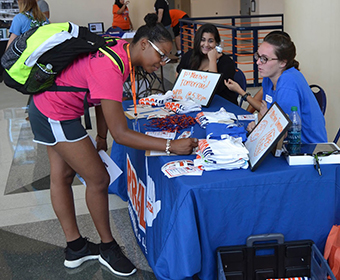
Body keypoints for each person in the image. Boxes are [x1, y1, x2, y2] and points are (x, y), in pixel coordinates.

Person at [28, 13, 197, 277]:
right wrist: (170, 146)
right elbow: (122, 133)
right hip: (55, 112)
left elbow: (99, 98)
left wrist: (100, 137)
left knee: (62, 176)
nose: (162, 63)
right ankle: (108, 247)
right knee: (98, 179)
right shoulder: (111, 66)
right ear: (143, 44)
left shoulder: (119, 49)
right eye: (160, 55)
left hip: (52, 106)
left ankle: (75, 248)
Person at [225, 31, 327, 143]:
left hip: (304, 149)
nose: (258, 62)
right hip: (284, 144)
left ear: (283, 63)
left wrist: (259, 127)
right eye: (258, 56)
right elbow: (263, 112)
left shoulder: (287, 83)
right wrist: (259, 126)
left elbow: (281, 134)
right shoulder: (268, 77)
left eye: (264, 58)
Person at [176, 23, 237, 105]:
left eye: (211, 41)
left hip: (221, 105)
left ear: (217, 43)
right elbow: (178, 74)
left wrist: (212, 60)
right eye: (203, 40)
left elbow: (213, 89)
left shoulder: (226, 62)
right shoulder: (190, 55)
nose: (206, 44)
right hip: (195, 103)